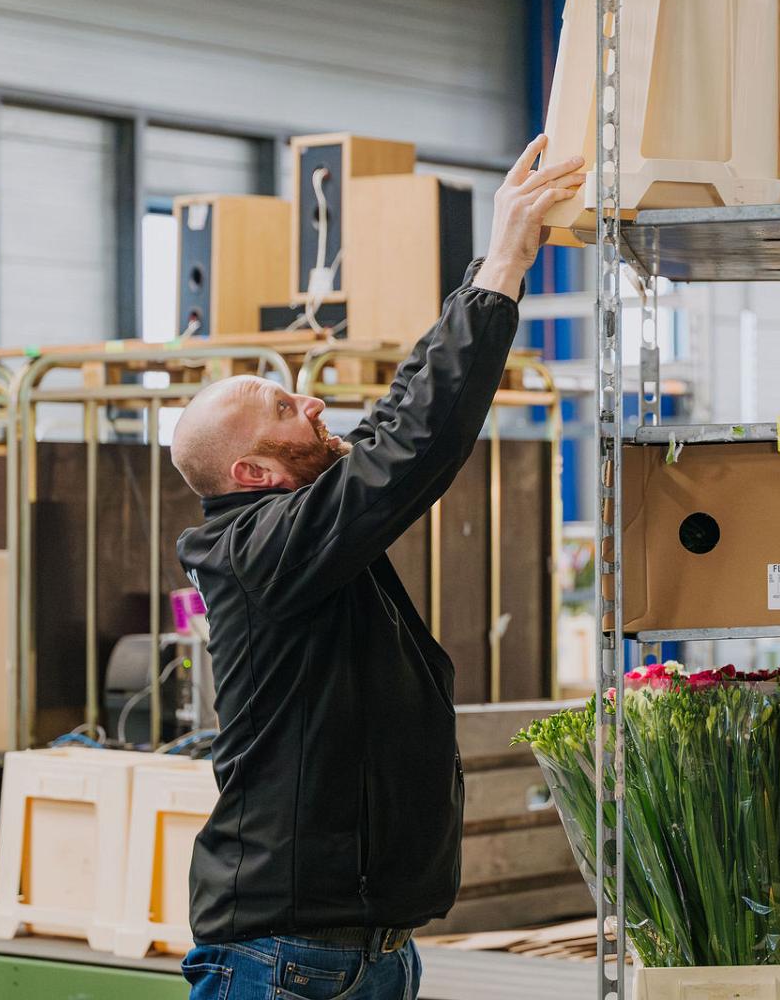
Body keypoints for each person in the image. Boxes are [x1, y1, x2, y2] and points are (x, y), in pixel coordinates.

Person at [168, 136, 583, 1000]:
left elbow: (399, 415)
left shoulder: (304, 535)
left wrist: (490, 270)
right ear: (253, 474)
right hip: (284, 958)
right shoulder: (258, 551)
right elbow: (409, 449)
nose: (312, 399)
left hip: (368, 953)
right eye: (284, 408)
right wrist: (502, 260)